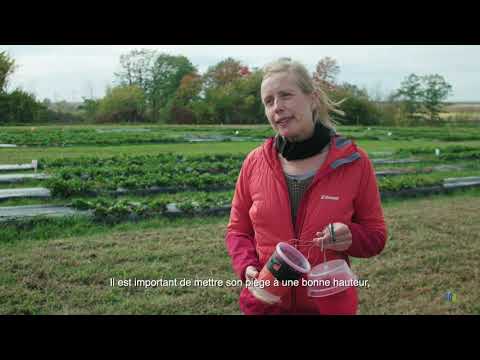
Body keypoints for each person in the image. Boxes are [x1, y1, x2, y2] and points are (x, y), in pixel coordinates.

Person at [225, 58, 387, 315]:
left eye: (286, 95)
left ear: (312, 99)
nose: (277, 107)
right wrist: (247, 266)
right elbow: (238, 231)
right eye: (269, 101)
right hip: (267, 303)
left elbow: (376, 236)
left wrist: (350, 237)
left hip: (327, 305)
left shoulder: (354, 162)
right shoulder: (255, 162)